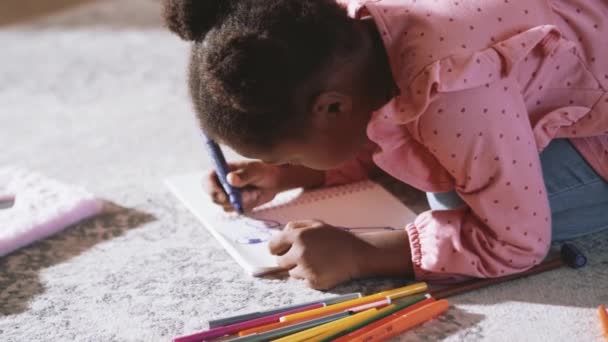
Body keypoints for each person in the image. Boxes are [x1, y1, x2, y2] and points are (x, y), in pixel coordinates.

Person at [162, 0, 608, 289]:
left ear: (333, 108)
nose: (287, 162)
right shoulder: (341, 34)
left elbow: (518, 241)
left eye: (292, 154)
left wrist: (364, 254)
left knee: (449, 194)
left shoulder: (452, 91)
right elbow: (373, 114)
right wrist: (293, 173)